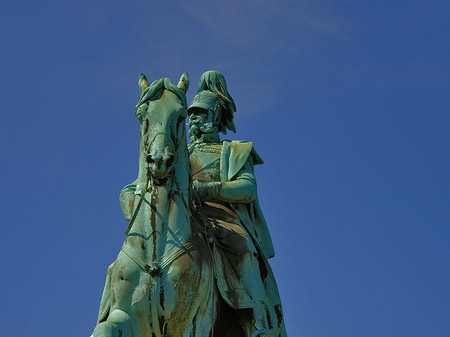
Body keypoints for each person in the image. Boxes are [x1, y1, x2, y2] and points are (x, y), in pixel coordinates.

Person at [188, 71, 287, 337]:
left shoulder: (233, 151)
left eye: (200, 113)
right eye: (192, 114)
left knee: (243, 249)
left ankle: (256, 320)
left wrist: (208, 190)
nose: (194, 119)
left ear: (214, 116)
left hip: (222, 218)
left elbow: (247, 189)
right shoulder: (176, 154)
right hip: (182, 217)